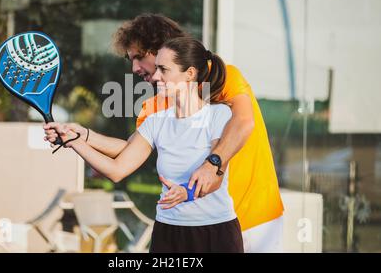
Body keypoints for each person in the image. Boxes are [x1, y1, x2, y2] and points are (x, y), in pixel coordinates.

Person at [45, 14, 284, 252]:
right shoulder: (155, 106)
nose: (134, 68)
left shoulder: (224, 77)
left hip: (255, 218)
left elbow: (243, 122)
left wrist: (212, 165)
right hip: (189, 227)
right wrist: (82, 135)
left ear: (161, 49)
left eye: (139, 57)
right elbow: (129, 152)